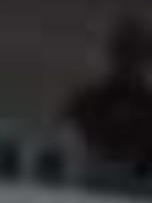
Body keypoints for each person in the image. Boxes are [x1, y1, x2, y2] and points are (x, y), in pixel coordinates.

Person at [61, 18, 152, 179]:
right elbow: (65, 143)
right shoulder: (86, 102)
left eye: (134, 55)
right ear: (113, 55)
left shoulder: (85, 101)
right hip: (88, 187)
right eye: (123, 53)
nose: (128, 63)